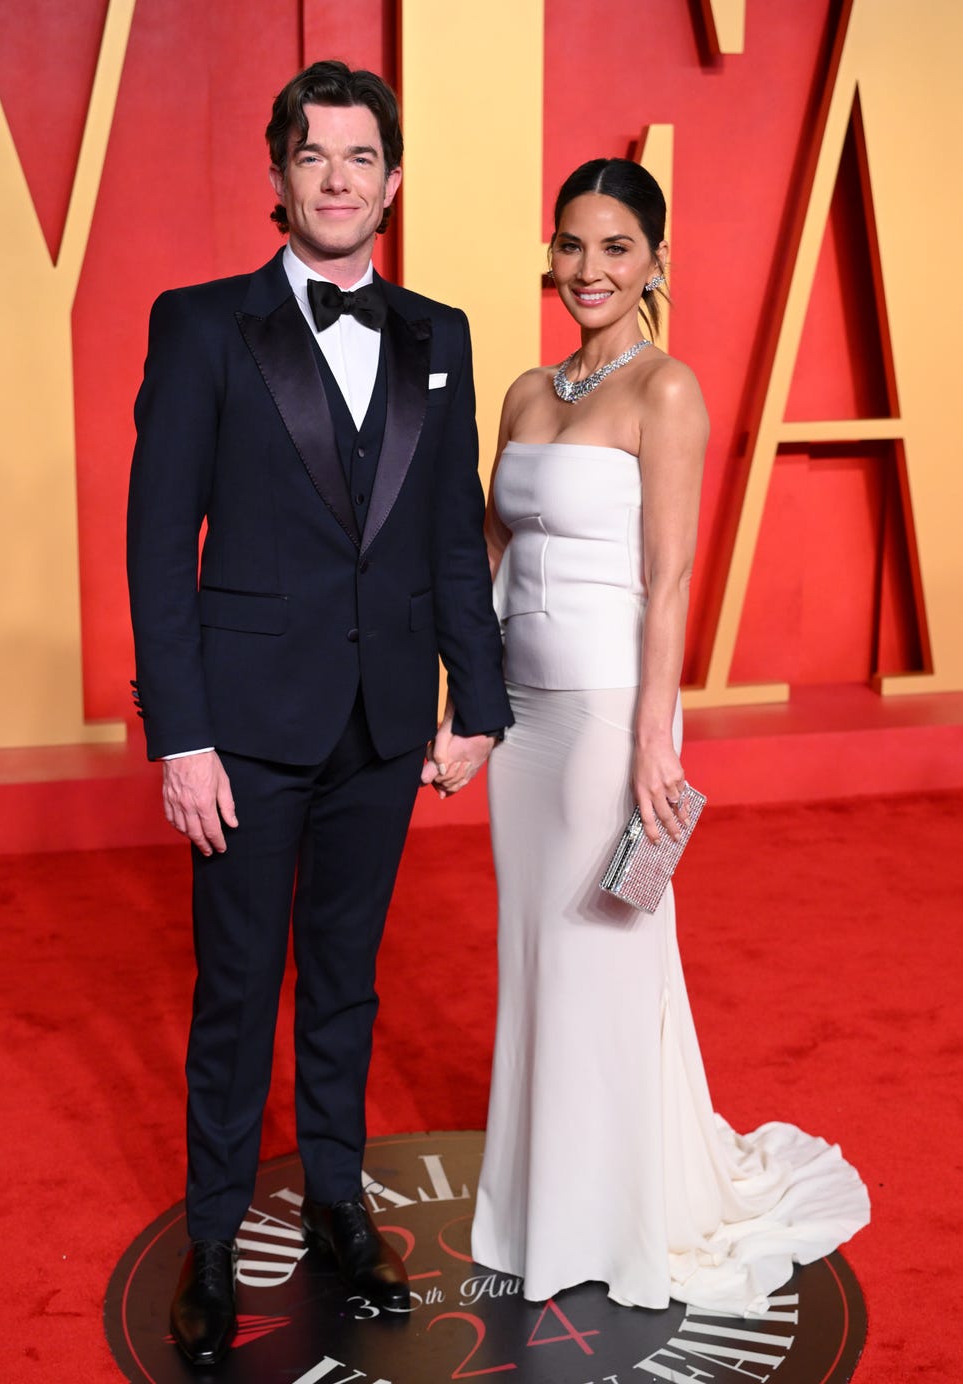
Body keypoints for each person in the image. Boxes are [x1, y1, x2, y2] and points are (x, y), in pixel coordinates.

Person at [127, 60, 511, 1367]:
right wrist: (178, 735)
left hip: (386, 721)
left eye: (360, 158)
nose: (338, 180)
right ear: (279, 177)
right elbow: (153, 542)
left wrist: (479, 701)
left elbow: (451, 535)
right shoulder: (199, 325)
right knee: (238, 989)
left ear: (390, 184)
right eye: (314, 157)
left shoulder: (437, 334)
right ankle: (219, 1237)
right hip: (240, 730)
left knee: (346, 983)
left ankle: (341, 1204)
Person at [469, 158, 869, 1314]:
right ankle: (544, 1198)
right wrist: (468, 710)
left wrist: (654, 736)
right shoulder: (522, 393)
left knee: (600, 950)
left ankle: (613, 1210)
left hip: (605, 711)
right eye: (571, 245)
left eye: (614, 248)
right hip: (524, 714)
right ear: (550, 254)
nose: (588, 269)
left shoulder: (667, 391)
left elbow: (669, 576)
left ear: (653, 263)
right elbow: (492, 559)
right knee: (535, 957)